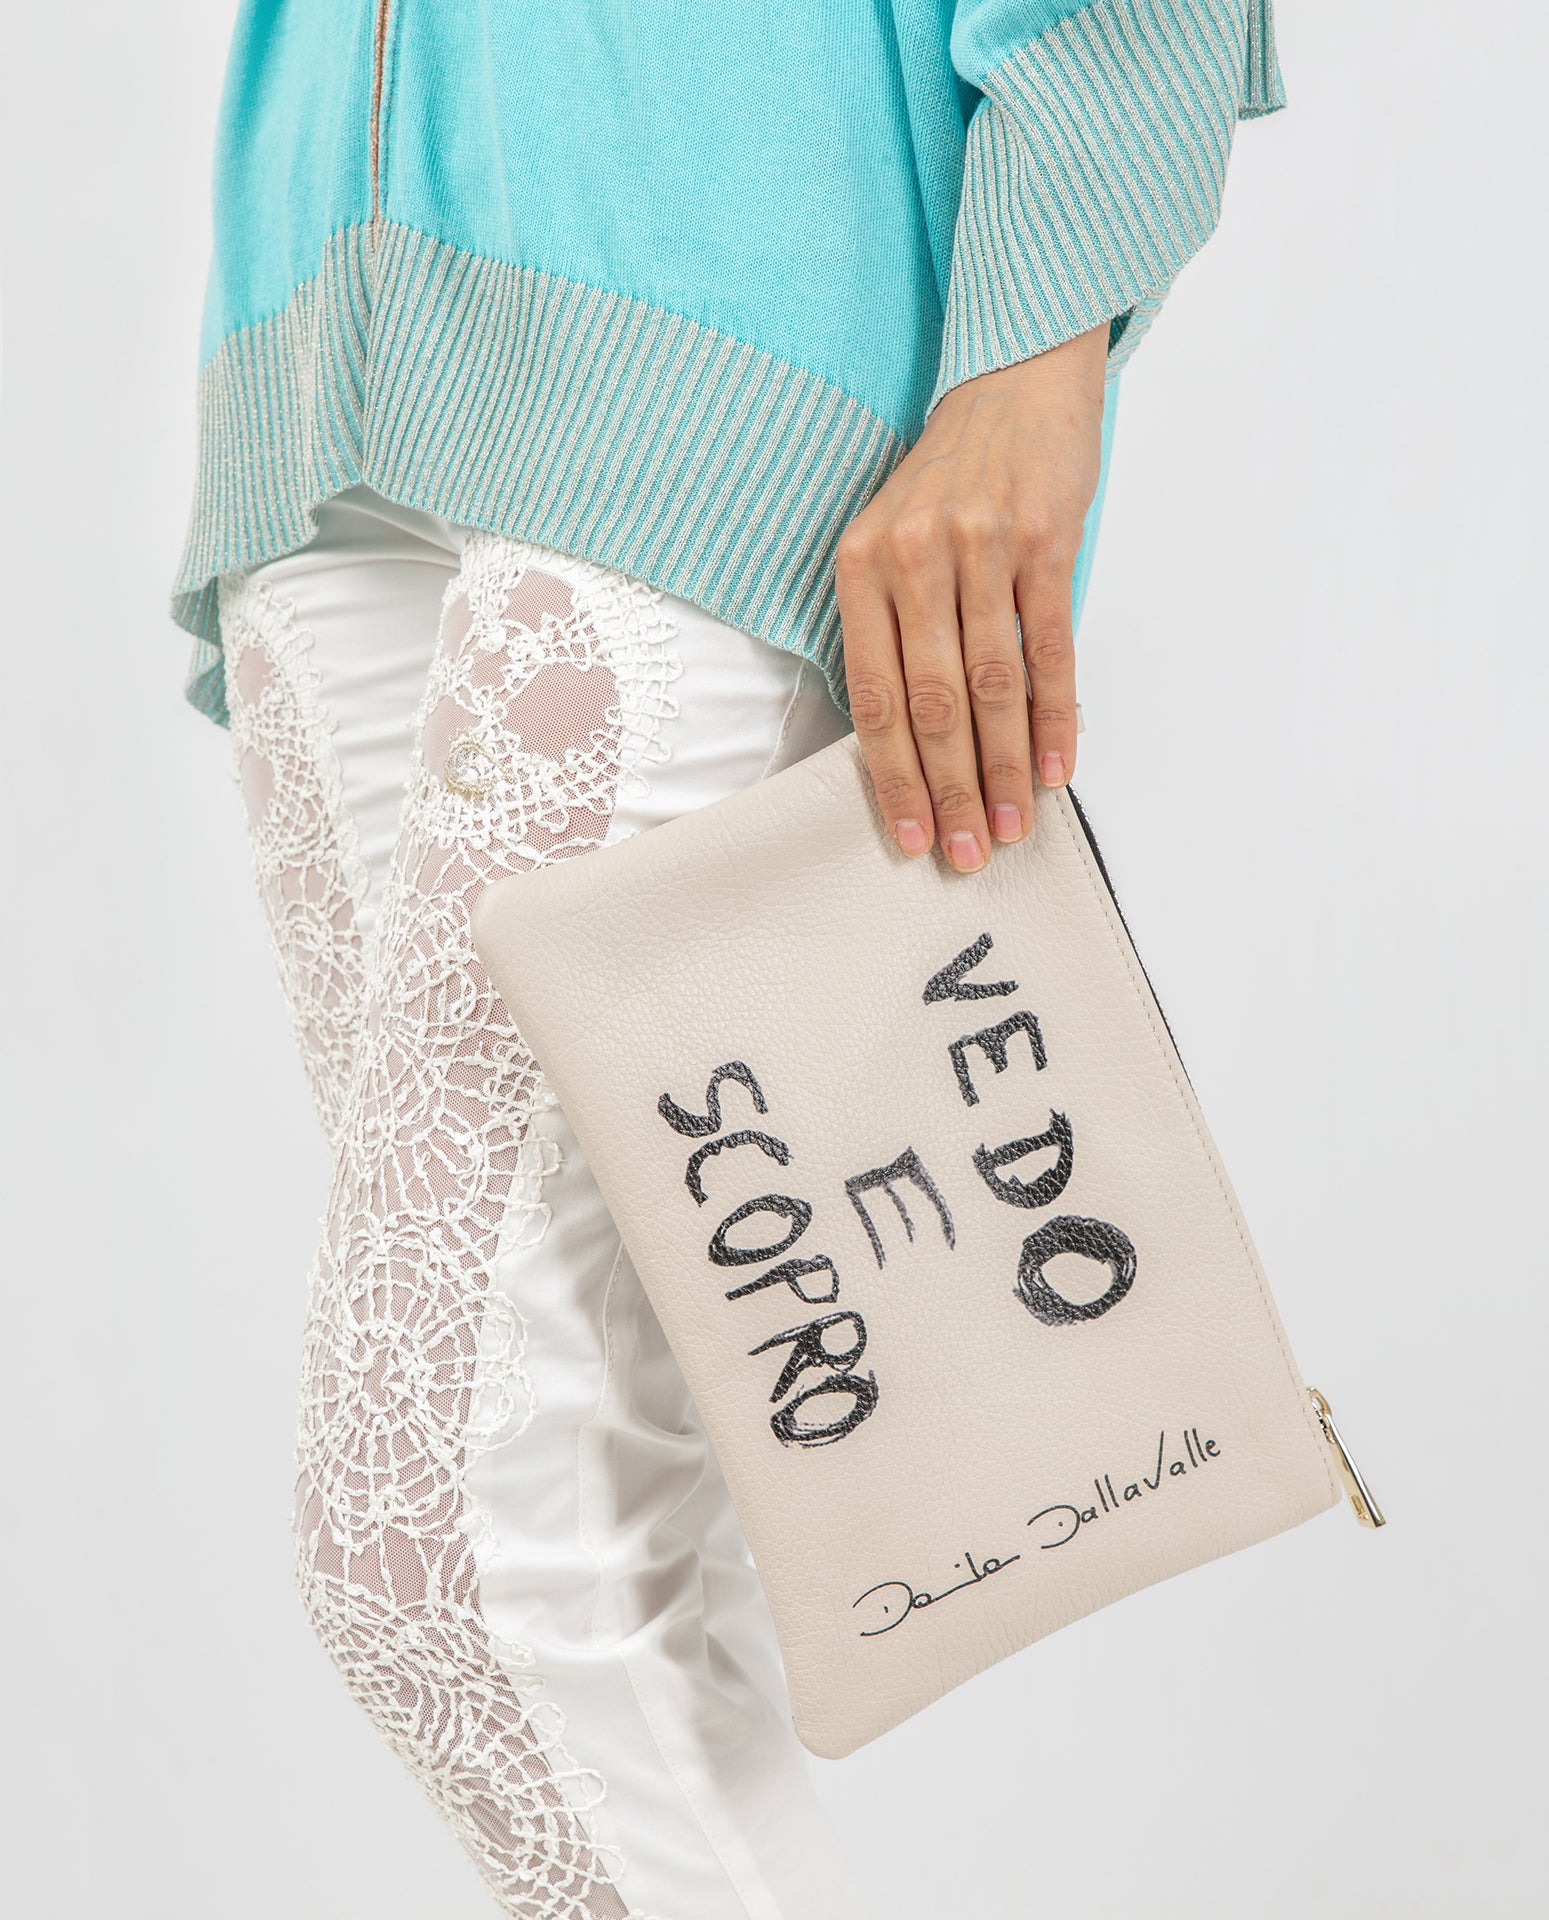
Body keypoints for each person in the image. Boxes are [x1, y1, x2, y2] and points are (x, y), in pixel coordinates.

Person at [171, 4, 1286, 1913]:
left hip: (712, 322)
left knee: (436, 1546)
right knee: (588, 1534)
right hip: (321, 363)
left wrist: (1034, 364)